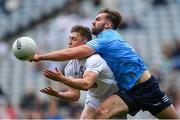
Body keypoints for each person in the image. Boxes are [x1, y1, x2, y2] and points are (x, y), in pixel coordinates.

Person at [30, 8, 179, 119]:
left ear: (108, 24)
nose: (93, 22)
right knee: (101, 113)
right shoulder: (100, 45)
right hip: (128, 91)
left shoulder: (106, 38)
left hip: (147, 88)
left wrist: (41, 57)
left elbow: (72, 53)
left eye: (98, 19)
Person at [39, 25, 124, 119]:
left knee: (102, 115)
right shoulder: (71, 66)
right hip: (94, 98)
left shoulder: (94, 59)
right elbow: (74, 95)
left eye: (74, 39)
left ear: (85, 43)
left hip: (114, 97)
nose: (69, 42)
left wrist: (62, 79)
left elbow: (86, 84)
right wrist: (58, 94)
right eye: (69, 38)